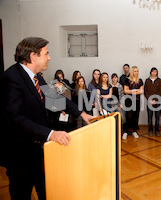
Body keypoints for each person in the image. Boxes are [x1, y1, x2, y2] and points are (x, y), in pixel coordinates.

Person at [0, 37, 93, 200]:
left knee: (48, 192)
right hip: (20, 155)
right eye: (46, 54)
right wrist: (51, 134)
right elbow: (15, 118)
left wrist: (81, 113)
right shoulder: (11, 78)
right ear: (33, 56)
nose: (49, 58)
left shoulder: (37, 77)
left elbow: (54, 99)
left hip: (40, 150)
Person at [123, 66, 144, 139]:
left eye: (137, 71)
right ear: (132, 72)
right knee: (128, 117)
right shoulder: (127, 80)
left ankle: (134, 131)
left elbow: (141, 92)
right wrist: (135, 91)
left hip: (137, 101)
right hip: (128, 101)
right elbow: (125, 91)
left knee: (135, 116)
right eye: (135, 71)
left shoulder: (140, 80)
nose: (136, 72)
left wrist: (131, 91)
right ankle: (125, 132)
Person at [144, 67, 161, 137]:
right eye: (153, 71)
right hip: (149, 102)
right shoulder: (147, 80)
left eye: (155, 72)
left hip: (157, 102)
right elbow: (145, 91)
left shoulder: (159, 80)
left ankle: (157, 130)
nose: (154, 73)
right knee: (150, 117)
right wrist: (150, 100)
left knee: (157, 117)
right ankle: (150, 130)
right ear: (150, 72)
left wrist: (155, 100)